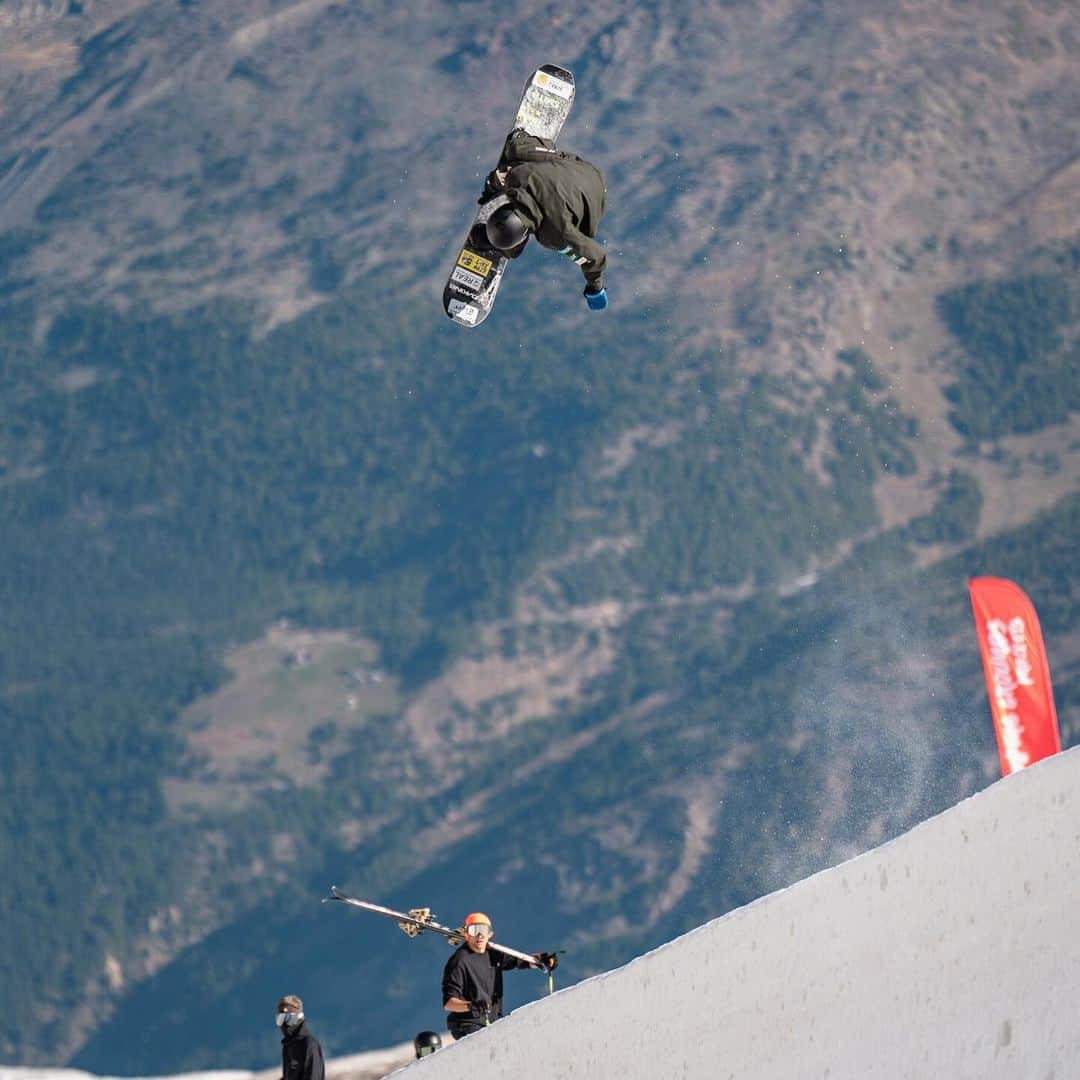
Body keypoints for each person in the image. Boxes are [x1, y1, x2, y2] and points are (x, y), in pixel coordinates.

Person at [477, 129, 610, 311]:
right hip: (585, 170)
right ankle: (526, 141)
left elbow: (595, 257)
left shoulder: (556, 235)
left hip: (595, 202)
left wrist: (596, 288)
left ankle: (506, 250)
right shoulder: (519, 176)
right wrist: (492, 185)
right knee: (515, 149)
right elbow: (500, 178)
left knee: (511, 250)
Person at [441, 911, 558, 1041]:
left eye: (483, 930)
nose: (479, 935)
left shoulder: (494, 954)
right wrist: (471, 1005)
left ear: (490, 934)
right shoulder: (459, 961)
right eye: (474, 930)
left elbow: (521, 961)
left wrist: (542, 960)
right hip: (467, 1025)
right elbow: (449, 1003)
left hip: (492, 1021)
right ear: (466, 934)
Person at [275, 994, 325, 1080]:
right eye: (280, 1019)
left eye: (288, 1018)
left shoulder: (309, 1044)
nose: (284, 1023)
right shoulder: (288, 1046)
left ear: (299, 1017)